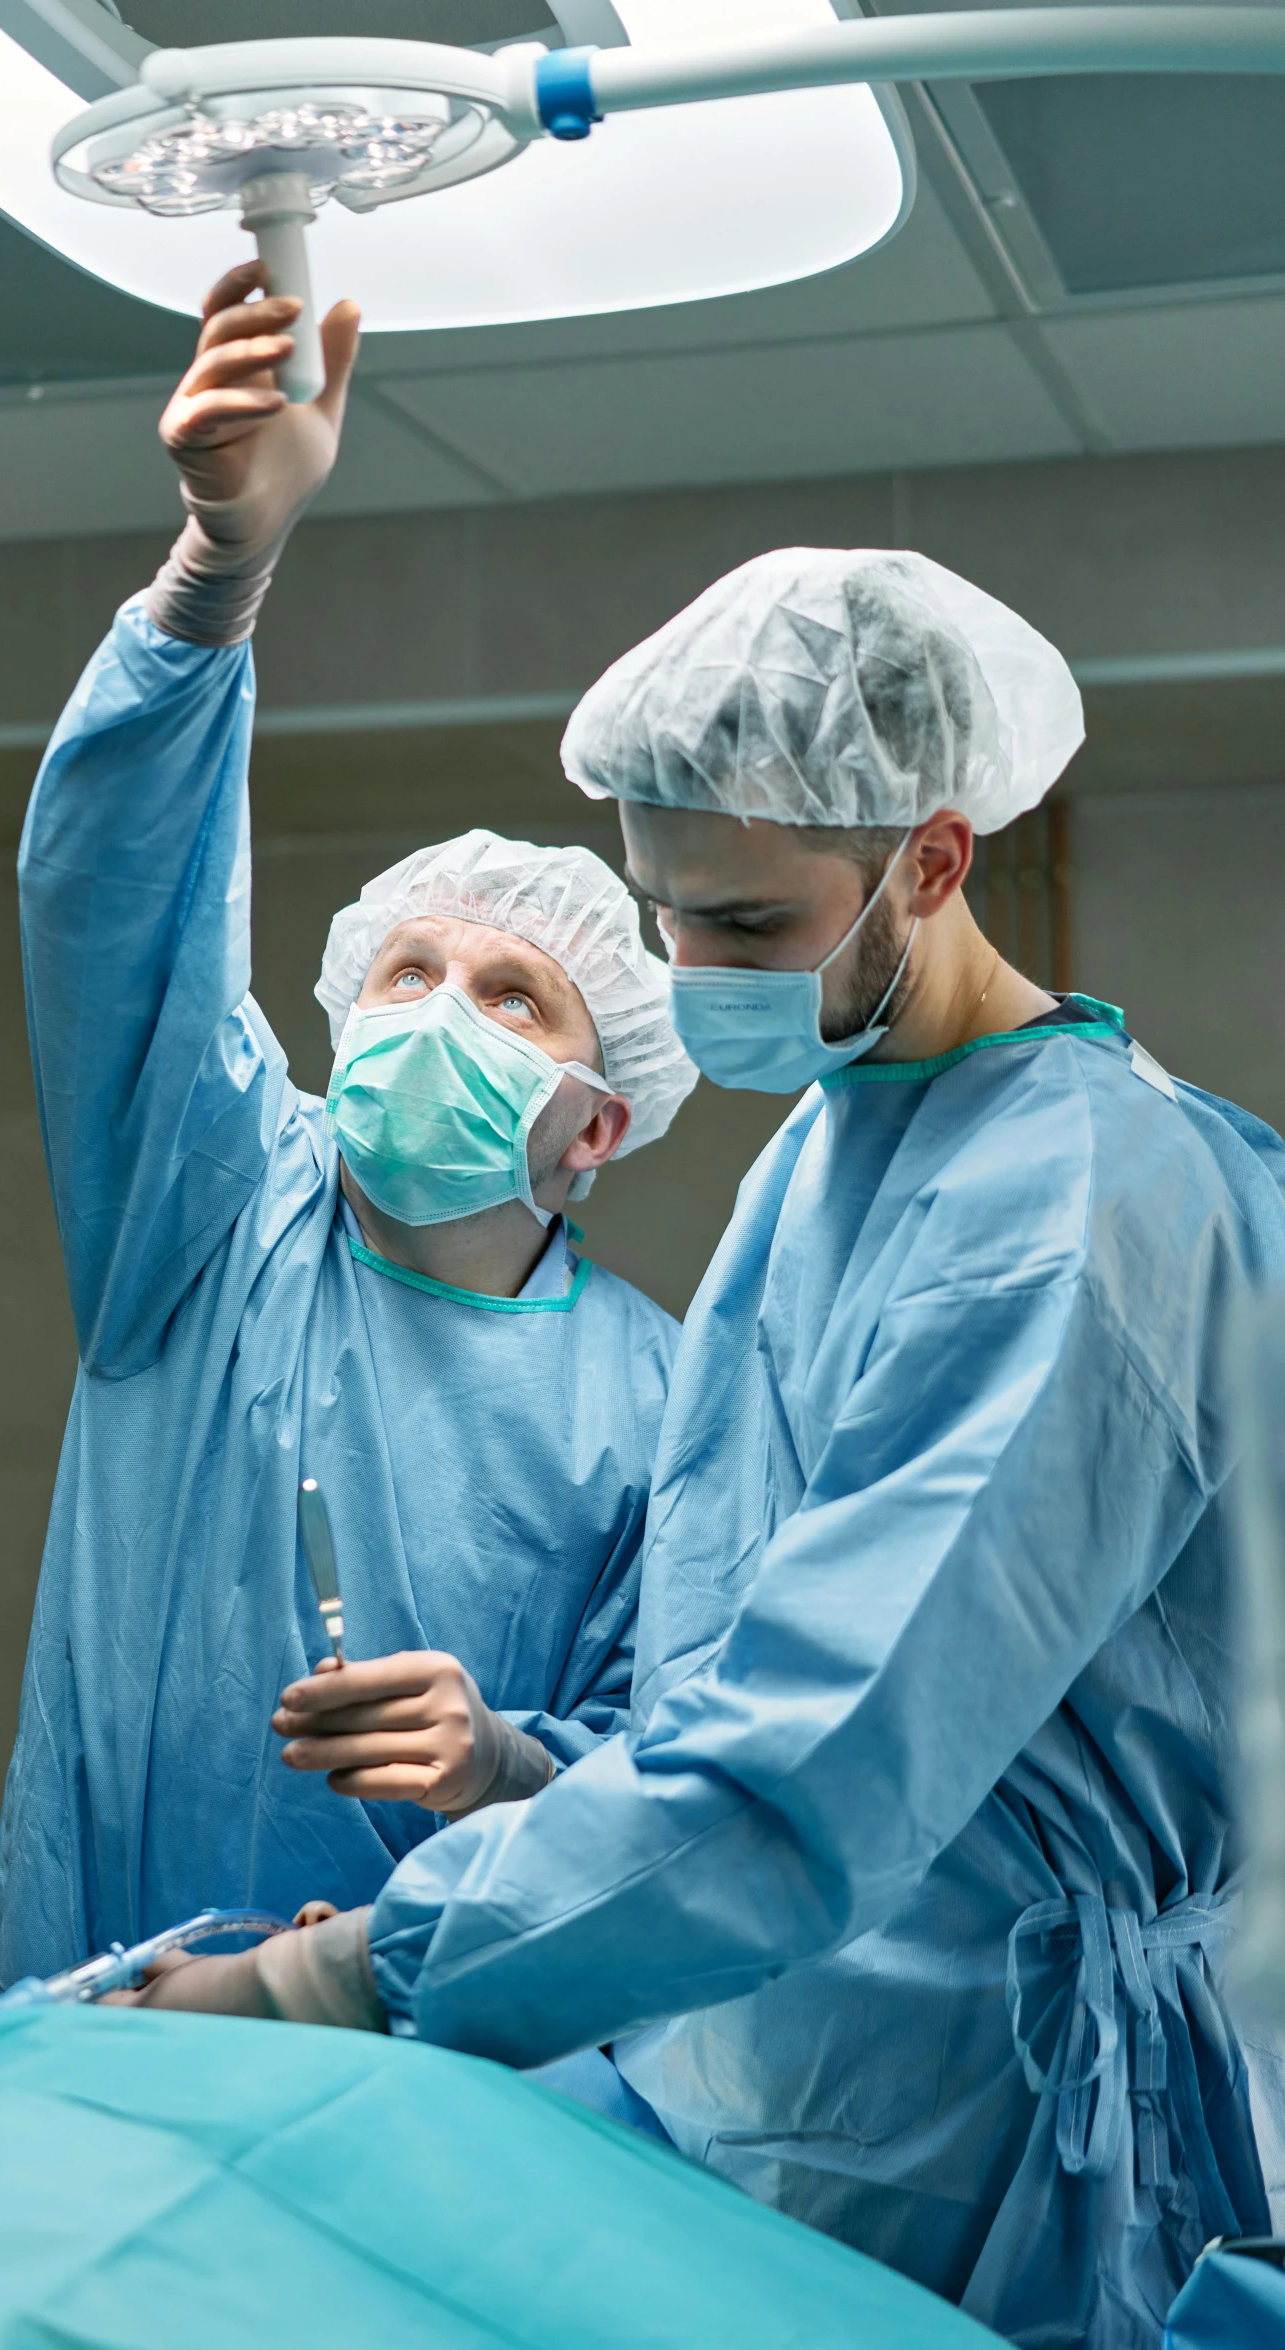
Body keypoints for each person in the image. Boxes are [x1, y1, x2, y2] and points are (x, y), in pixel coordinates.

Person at [118, 549, 1285, 2350]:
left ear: (931, 857)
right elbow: (716, 1674)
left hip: (996, 2124)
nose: (692, 970)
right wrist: (524, 1780)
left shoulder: (1081, 1208)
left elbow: (808, 1772)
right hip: (767, 2065)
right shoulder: (817, 1158)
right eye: (666, 913)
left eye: (745, 927)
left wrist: (329, 1975)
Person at [0, 265, 696, 1992]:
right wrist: (217, 568)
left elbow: (696, 1784)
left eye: (510, 996)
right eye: (402, 968)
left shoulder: (658, 1400)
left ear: (592, 1127)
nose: (433, 1010)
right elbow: (113, 902)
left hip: (431, 2075)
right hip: (96, 2022)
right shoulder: (214, 1208)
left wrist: (507, 1760)